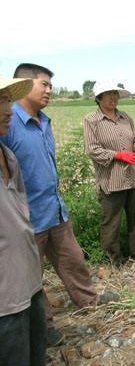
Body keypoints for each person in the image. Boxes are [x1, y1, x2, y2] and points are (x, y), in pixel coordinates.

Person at [0, 64, 118, 348]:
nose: (49, 90)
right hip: (27, 218)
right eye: (44, 84)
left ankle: (88, 299)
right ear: (26, 85)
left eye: (51, 85)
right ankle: (45, 325)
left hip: (54, 209)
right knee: (31, 277)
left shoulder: (44, 121)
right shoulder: (10, 123)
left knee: (73, 258)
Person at [0, 76, 47, 365]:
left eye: (6, 100)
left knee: (35, 354)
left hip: (30, 286)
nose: (7, 110)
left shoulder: (8, 157)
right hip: (5, 301)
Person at [83, 81, 135, 265]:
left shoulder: (125, 117)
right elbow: (92, 149)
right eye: (108, 94)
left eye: (115, 93)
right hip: (111, 179)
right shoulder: (91, 120)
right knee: (111, 222)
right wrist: (119, 155)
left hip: (133, 177)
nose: (113, 97)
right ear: (99, 98)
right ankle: (113, 261)